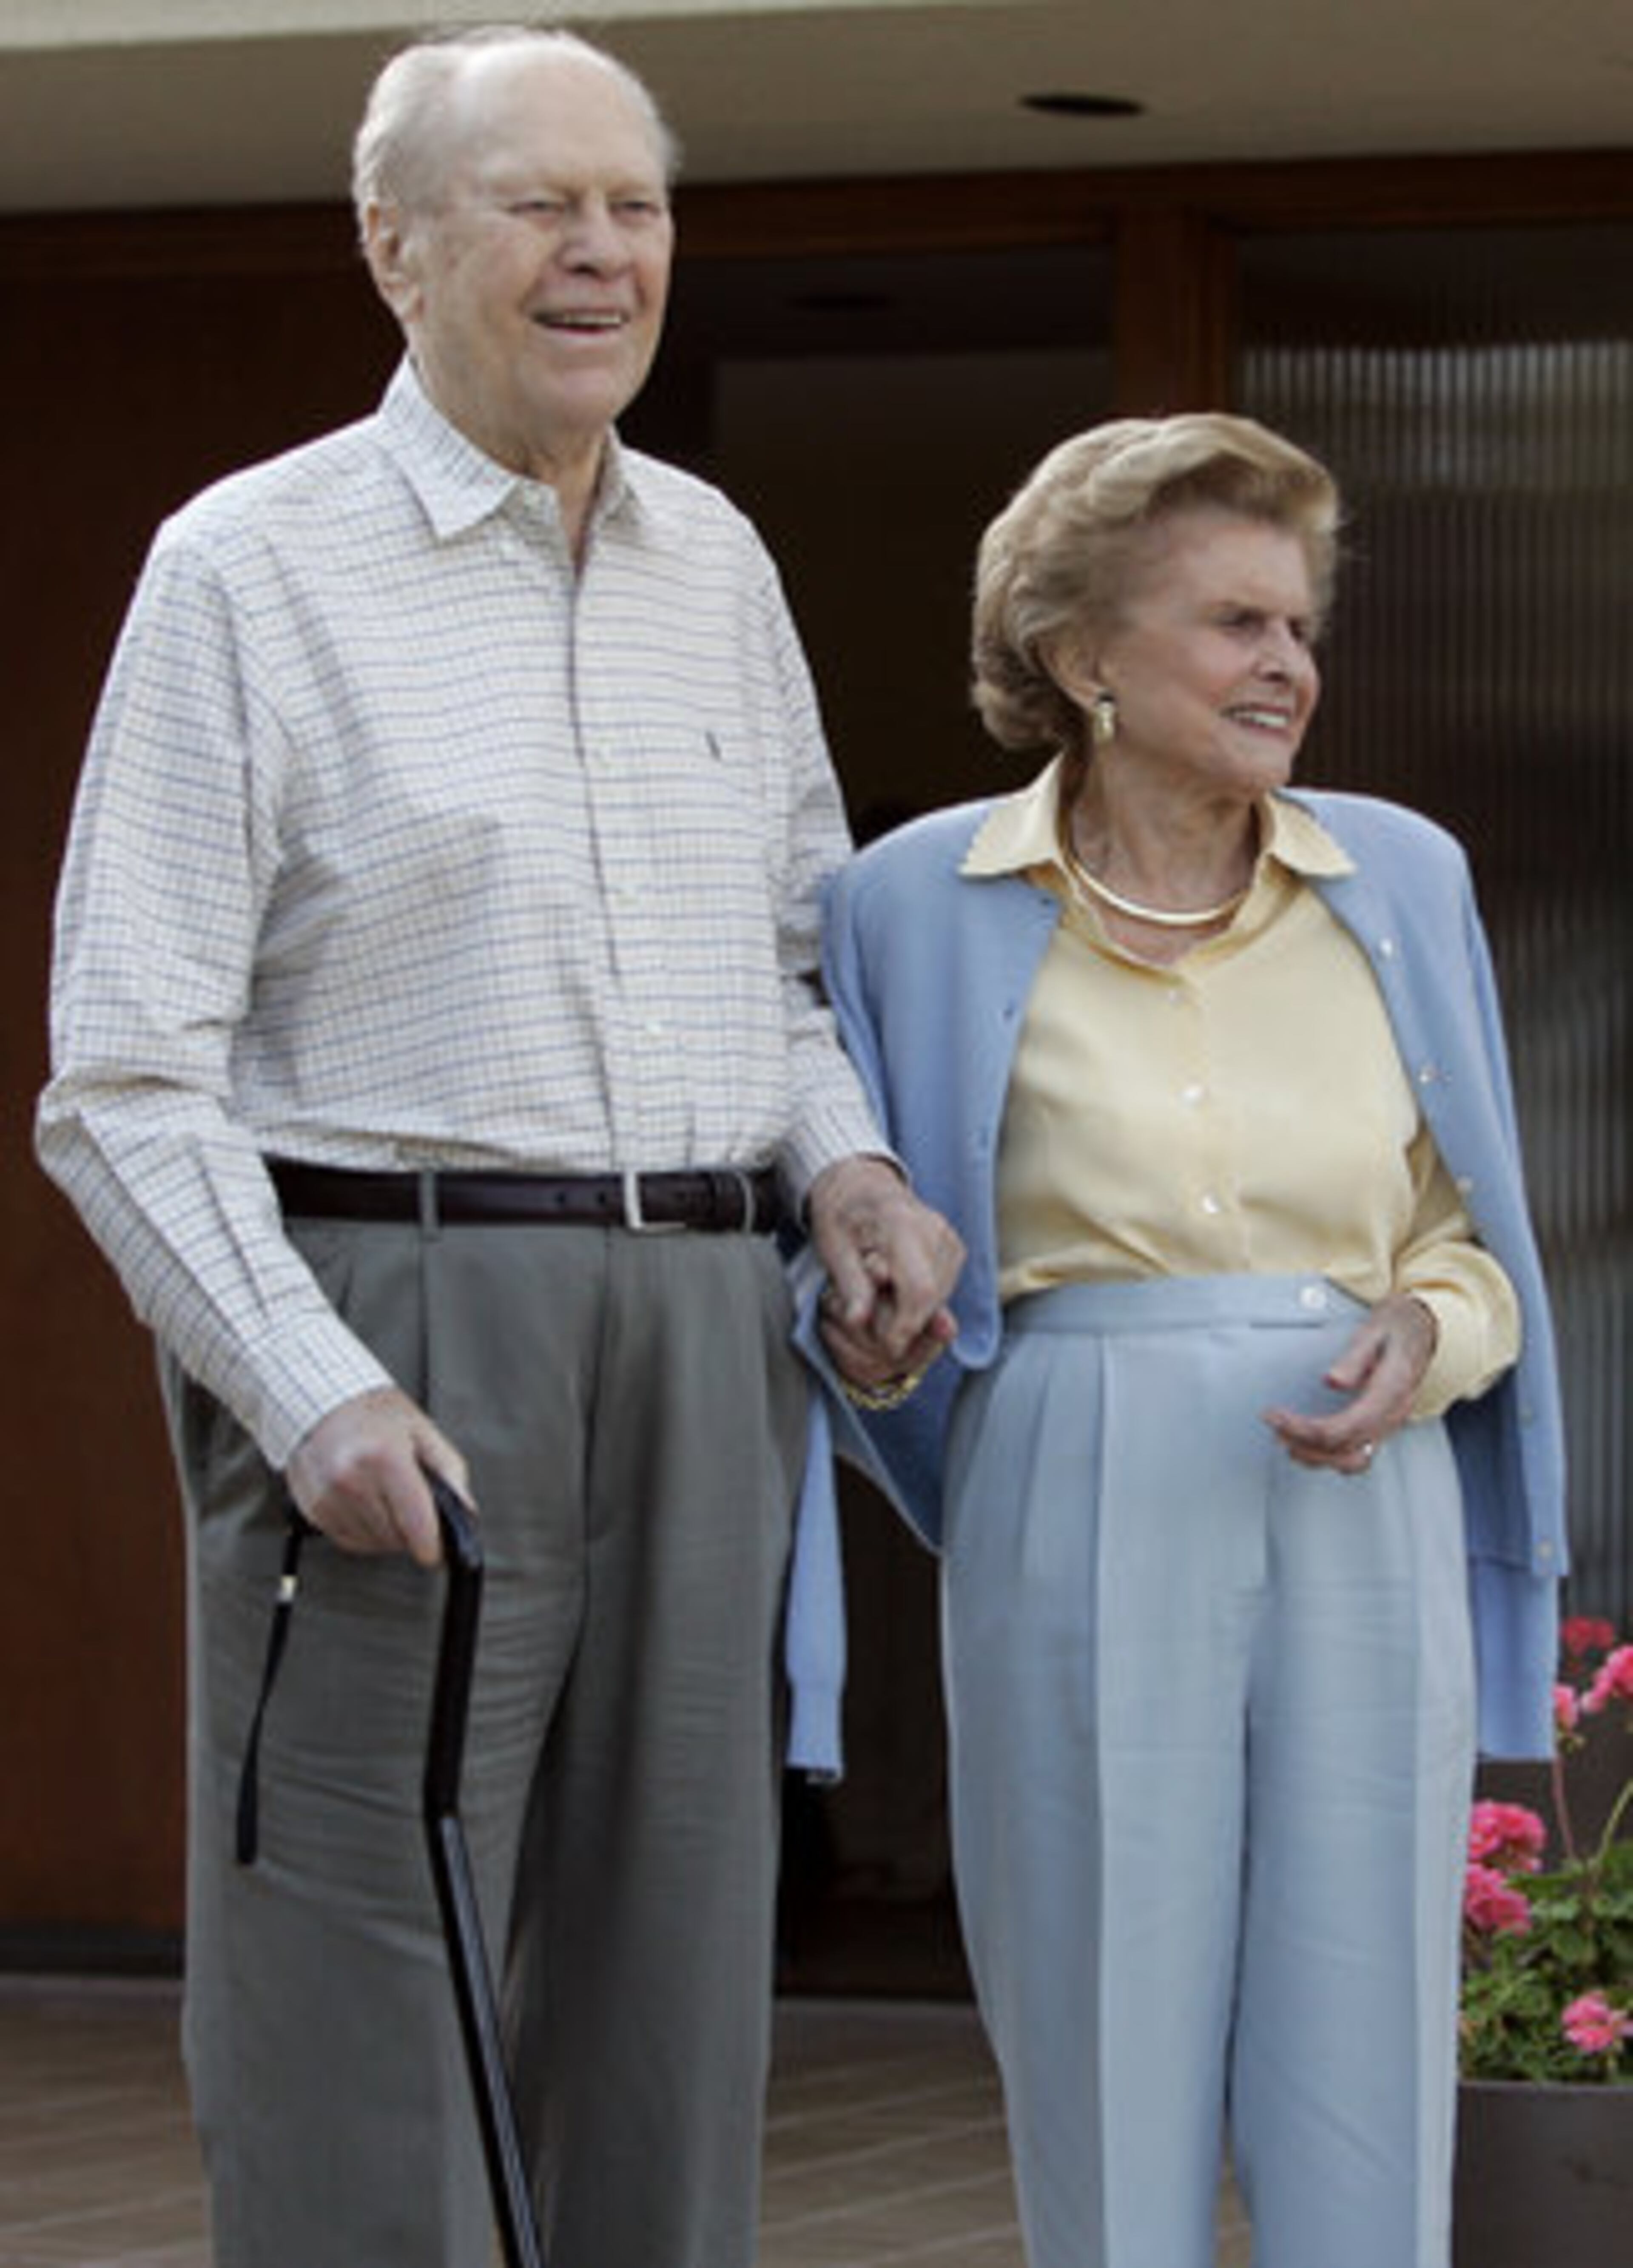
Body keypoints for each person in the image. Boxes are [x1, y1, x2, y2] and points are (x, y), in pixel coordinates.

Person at [36, 26, 959, 2268]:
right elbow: (122, 1074)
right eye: (539, 202)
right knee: (358, 1961)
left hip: (700, 1324)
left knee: (672, 1964)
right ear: (397, 246)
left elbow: (786, 955)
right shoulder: (244, 566)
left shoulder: (714, 560)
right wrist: (305, 1377)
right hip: (397, 1316)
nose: (602, 251)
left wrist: (842, 1174)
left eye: (634, 206)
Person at [804, 413, 1567, 2268]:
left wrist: (1425, 1330)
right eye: (1233, 622)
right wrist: (878, 1332)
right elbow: (853, 1256)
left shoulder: (1400, 876)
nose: (1288, 664)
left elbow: (1473, 1238)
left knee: (1364, 2017)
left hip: (1358, 1461)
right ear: (1081, 656)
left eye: (1298, 624)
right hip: (1073, 1457)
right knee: (1099, 2008)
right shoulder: (907, 897)